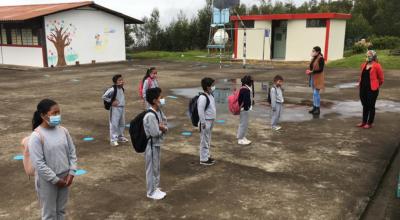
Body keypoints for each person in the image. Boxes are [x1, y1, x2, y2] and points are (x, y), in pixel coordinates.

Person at [29, 99, 78, 220]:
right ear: (43, 115)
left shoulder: (63, 130)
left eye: (59, 112)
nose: (57, 116)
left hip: (65, 177)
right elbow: (39, 164)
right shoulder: (36, 136)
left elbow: (72, 152)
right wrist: (55, 179)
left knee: (61, 211)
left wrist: (71, 172)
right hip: (47, 181)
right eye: (54, 113)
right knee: (49, 214)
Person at [144, 87, 168, 200]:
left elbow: (164, 122)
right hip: (151, 146)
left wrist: (163, 127)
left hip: (156, 144)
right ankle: (150, 191)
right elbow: (154, 133)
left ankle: (156, 187)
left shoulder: (158, 111)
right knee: (152, 169)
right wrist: (162, 129)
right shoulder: (150, 115)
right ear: (154, 100)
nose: (162, 99)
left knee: (156, 167)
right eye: (160, 97)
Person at [357, 50, 384, 129]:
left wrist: (376, 85)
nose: (368, 56)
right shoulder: (363, 65)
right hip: (363, 88)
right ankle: (364, 122)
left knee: (371, 106)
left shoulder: (377, 66)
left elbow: (381, 79)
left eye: (369, 55)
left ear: (373, 56)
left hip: (372, 89)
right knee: (364, 105)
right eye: (367, 55)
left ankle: (369, 123)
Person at [102, 74, 128, 147]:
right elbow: (104, 96)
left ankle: (120, 136)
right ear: (115, 82)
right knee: (114, 124)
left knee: (122, 123)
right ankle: (113, 139)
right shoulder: (113, 89)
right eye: (119, 80)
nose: (122, 81)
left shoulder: (122, 88)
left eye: (122, 80)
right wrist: (111, 101)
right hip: (115, 109)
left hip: (122, 107)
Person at [198, 77, 217, 165]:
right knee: (204, 140)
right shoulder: (203, 97)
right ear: (208, 87)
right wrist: (203, 122)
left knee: (208, 139)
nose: (214, 86)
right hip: (206, 121)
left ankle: (207, 156)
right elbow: (200, 111)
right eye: (212, 85)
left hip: (210, 120)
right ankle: (203, 159)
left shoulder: (210, 95)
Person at [306, 46, 325, 115]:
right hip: (313, 78)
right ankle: (314, 107)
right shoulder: (314, 58)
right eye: (312, 51)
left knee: (316, 93)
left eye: (314, 51)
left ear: (318, 52)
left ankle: (317, 108)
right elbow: (312, 67)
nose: (312, 52)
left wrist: (311, 72)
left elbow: (321, 69)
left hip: (318, 78)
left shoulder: (321, 59)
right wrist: (310, 71)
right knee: (314, 94)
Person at [237, 75, 254, 145]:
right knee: (243, 124)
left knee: (245, 124)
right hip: (244, 109)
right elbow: (245, 100)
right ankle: (240, 139)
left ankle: (243, 136)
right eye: (251, 81)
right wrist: (247, 108)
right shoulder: (245, 89)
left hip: (245, 109)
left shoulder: (245, 88)